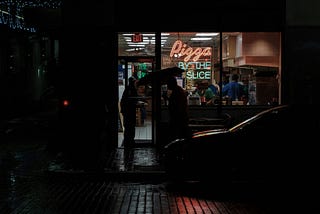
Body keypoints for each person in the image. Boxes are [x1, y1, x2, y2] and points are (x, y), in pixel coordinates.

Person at [166, 76, 191, 142]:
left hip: (178, 119)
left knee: (177, 137)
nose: (167, 86)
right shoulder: (178, 90)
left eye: (168, 84)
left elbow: (176, 106)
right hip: (180, 119)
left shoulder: (177, 92)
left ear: (171, 84)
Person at [120, 76, 138, 147]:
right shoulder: (132, 89)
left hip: (127, 111)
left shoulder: (127, 89)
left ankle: (128, 141)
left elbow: (123, 100)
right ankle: (130, 141)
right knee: (130, 126)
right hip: (130, 111)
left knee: (128, 126)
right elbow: (134, 100)